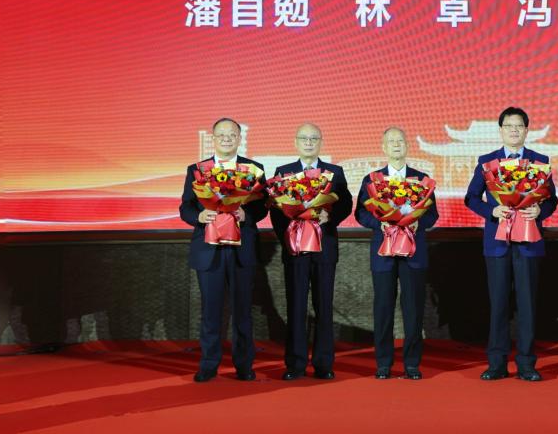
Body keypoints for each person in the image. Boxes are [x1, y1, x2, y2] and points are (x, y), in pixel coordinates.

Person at [464, 106, 558, 381]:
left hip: (529, 241)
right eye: (509, 126)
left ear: (526, 130)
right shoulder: (487, 162)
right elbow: (471, 198)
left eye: (519, 126)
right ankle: (497, 363)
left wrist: (540, 211)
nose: (514, 130)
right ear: (501, 130)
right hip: (497, 242)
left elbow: (551, 200)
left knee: (527, 304)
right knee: (498, 304)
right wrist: (491, 210)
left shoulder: (540, 161)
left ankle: (527, 364)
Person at [179, 117, 267, 382]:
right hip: (209, 249)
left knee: (243, 311)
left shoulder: (254, 169)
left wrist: (247, 214)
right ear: (213, 139)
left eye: (232, 135)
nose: (227, 139)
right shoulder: (197, 169)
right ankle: (208, 364)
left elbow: (263, 206)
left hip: (241, 249)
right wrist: (199, 216)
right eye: (222, 135)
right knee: (211, 310)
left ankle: (244, 365)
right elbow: (185, 207)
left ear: (239, 139)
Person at [355, 127, 439, 380]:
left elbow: (433, 215)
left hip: (413, 252)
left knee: (413, 308)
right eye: (391, 141)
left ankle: (412, 364)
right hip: (383, 251)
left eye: (400, 141)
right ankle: (383, 363)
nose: (396, 144)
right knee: (383, 307)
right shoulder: (372, 180)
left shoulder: (421, 179)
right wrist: (378, 224)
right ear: (383, 147)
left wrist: (418, 223)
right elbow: (360, 213)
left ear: (407, 146)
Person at [270, 123, 352, 381]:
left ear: (320, 142)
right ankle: (295, 364)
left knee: (323, 306)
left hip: (324, 247)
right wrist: (289, 236)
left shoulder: (334, 172)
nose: (308, 142)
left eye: (314, 138)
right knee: (295, 306)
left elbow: (346, 203)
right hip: (295, 249)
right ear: (296, 142)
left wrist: (331, 216)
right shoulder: (283, 172)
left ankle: (323, 363)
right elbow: (275, 211)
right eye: (304, 138)